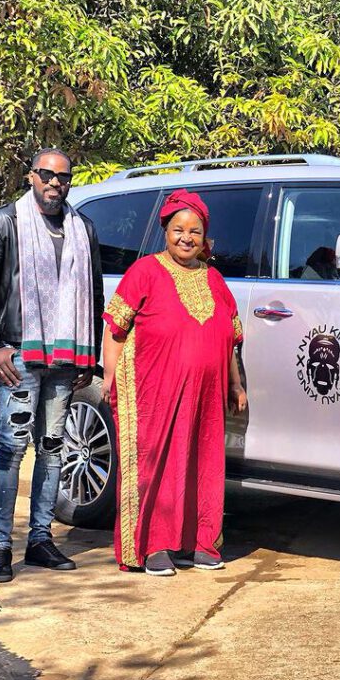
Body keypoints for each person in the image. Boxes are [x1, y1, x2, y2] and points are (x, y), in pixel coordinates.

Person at [0, 147, 103, 583]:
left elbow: (95, 296)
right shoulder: (5, 222)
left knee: (52, 448)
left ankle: (41, 539)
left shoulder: (83, 228)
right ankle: (2, 546)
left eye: (63, 177)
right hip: (18, 354)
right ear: (31, 176)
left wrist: (91, 353)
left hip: (66, 360)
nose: (55, 183)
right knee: (12, 447)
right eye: (46, 175)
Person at [101, 188, 247, 577]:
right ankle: (153, 547)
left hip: (207, 395)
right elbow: (116, 328)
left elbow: (230, 340)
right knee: (158, 463)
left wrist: (235, 385)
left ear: (205, 237)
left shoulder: (214, 279)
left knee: (203, 462)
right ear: (165, 231)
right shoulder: (145, 271)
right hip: (153, 392)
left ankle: (199, 543)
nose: (187, 237)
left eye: (195, 231)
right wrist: (110, 376)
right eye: (179, 229)